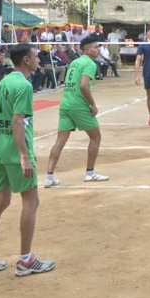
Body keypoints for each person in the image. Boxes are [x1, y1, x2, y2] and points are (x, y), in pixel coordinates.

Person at [0, 43, 55, 277]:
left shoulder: (5, 81)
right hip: (17, 152)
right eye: (36, 56)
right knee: (31, 202)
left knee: (1, 201)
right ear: (26, 60)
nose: (39, 60)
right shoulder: (24, 86)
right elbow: (18, 122)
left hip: (2, 150)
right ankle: (26, 260)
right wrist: (25, 156)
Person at [44, 34, 109, 186]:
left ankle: (49, 177)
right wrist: (92, 104)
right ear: (87, 50)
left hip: (65, 104)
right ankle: (90, 173)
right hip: (79, 105)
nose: (98, 49)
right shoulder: (90, 64)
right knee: (96, 137)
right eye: (95, 47)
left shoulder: (74, 62)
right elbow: (83, 85)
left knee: (59, 142)